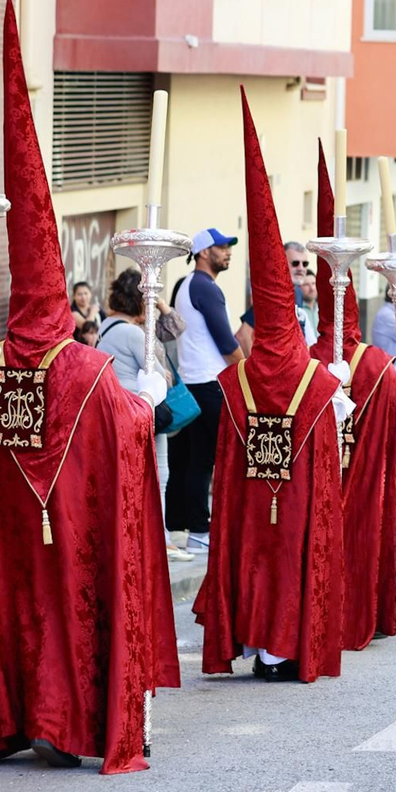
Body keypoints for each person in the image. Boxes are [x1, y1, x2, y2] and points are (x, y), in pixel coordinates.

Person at [0, 1, 178, 770]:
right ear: (63, 298)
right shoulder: (89, 369)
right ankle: (65, 721)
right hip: (68, 528)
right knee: (66, 602)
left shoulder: (0, 367)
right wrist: (155, 393)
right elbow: (132, 425)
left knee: (11, 603)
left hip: (8, 530)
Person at [193, 90, 350, 684]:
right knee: (291, 555)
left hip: (253, 501)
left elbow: (224, 471)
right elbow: (332, 480)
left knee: (253, 551)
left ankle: (255, 639)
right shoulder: (316, 382)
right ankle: (283, 648)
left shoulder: (236, 384)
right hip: (297, 500)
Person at [308, 143, 396, 647]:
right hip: (362, 481)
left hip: (318, 484)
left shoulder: (303, 359)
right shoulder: (378, 364)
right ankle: (362, 615)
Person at [97, 270, 192, 563]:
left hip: (116, 409)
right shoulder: (133, 332)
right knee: (159, 475)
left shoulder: (106, 326)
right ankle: (159, 539)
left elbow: (175, 327)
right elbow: (159, 373)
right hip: (142, 407)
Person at [166, 224, 243, 554]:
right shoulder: (205, 287)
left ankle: (178, 527)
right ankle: (199, 530)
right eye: (222, 247)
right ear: (202, 253)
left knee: (187, 461)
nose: (227, 252)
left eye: (228, 247)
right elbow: (225, 340)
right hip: (209, 384)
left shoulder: (184, 285)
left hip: (190, 382)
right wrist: (246, 373)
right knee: (204, 461)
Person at [297, 270, 320, 345]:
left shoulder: (322, 310)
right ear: (299, 288)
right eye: (306, 284)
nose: (312, 288)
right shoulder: (298, 312)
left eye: (313, 284)